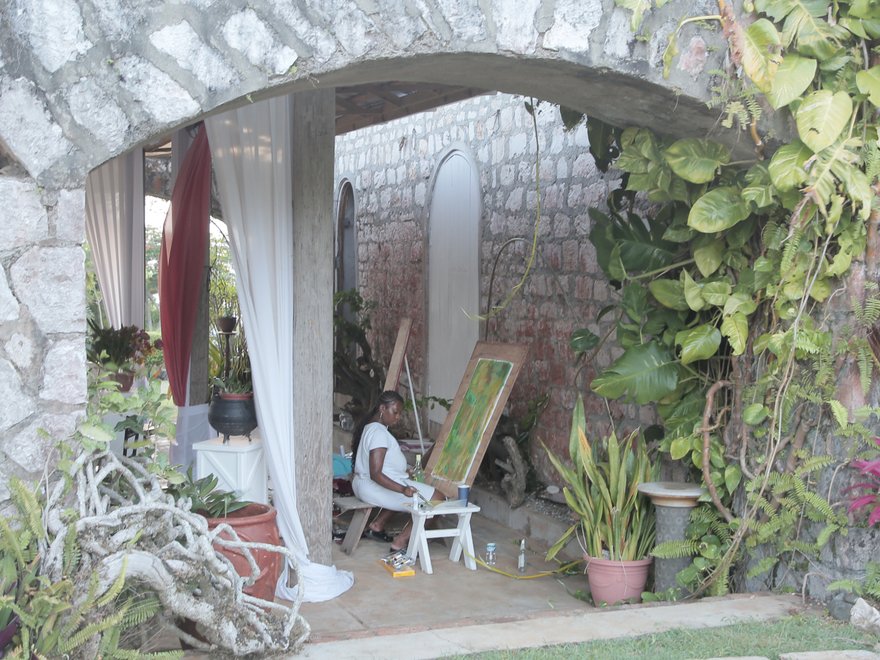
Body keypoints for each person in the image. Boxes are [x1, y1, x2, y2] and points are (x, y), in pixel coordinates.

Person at [351, 390, 444, 552]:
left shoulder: (372, 428)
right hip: (371, 486)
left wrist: (404, 472)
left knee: (407, 487)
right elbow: (376, 473)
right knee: (438, 499)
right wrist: (403, 489)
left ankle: (377, 525)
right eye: (395, 412)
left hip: (363, 484)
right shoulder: (379, 433)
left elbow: (383, 466)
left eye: (400, 413)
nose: (398, 417)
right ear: (382, 408)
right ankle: (401, 541)